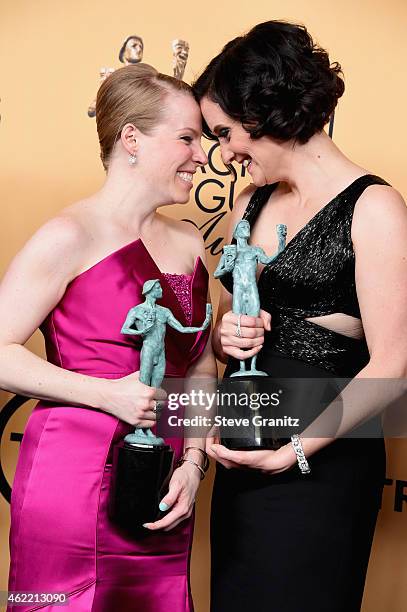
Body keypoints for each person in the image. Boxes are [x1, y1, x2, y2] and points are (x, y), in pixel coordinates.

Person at [193, 20, 407, 612]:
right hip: (243, 454)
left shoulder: (376, 208)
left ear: (264, 115)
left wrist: (295, 452)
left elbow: (395, 362)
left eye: (226, 131)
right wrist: (225, 332)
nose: (225, 149)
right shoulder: (249, 202)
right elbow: (220, 327)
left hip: (322, 467)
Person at [2, 63, 216, 611]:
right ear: (132, 140)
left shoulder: (190, 244)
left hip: (161, 485)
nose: (202, 155)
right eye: (188, 138)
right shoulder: (68, 235)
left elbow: (196, 367)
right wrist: (105, 393)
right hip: (70, 479)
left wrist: (193, 463)